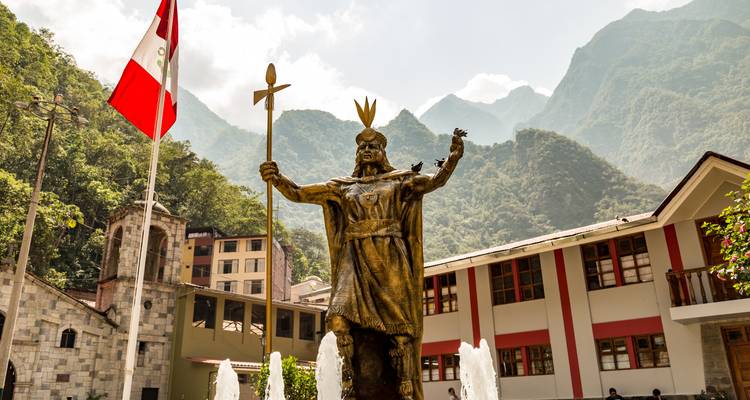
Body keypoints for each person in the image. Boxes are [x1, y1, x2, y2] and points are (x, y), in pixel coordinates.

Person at [260, 97, 465, 400]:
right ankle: (349, 381)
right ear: (357, 153)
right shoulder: (342, 187)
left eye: (374, 146)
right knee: (338, 317)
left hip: (389, 258)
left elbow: (433, 182)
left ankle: (405, 386)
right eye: (362, 146)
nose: (367, 150)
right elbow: (301, 193)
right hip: (353, 259)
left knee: (399, 328)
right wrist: (276, 178)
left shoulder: (399, 181)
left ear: (384, 152)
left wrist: (453, 158)